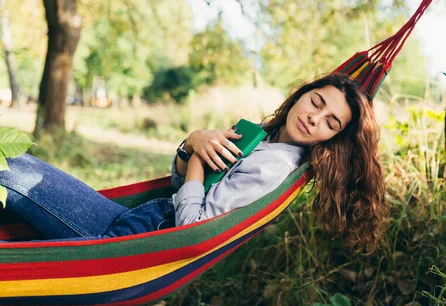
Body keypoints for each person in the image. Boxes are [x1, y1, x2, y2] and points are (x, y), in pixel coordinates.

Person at [0, 74, 387, 251]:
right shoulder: (262, 139)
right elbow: (179, 182)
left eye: (330, 122)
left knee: (9, 171)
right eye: (315, 102)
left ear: (332, 138)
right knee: (14, 180)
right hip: (137, 220)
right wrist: (191, 145)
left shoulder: (274, 169)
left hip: (133, 245)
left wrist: (200, 151)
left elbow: (193, 228)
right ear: (302, 95)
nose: (314, 118)